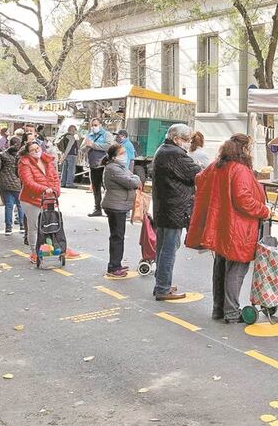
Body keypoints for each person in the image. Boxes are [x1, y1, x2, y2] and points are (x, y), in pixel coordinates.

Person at [187, 133, 270, 322]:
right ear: (244, 149)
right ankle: (232, 311)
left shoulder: (216, 166)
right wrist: (264, 211)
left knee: (221, 265)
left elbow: (200, 179)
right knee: (237, 268)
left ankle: (219, 309)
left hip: (220, 224)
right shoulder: (239, 169)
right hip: (239, 226)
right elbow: (243, 199)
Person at [150, 123, 201, 301]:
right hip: (174, 209)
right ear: (176, 139)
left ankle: (161, 284)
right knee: (168, 250)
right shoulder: (174, 153)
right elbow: (197, 174)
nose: (188, 143)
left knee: (162, 248)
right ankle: (163, 288)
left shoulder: (163, 150)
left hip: (164, 208)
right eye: (186, 140)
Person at [17, 140, 61, 262]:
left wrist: (56, 191)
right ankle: (34, 252)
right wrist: (44, 189)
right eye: (33, 150)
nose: (36, 151)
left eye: (37, 148)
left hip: (48, 199)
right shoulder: (24, 162)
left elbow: (55, 177)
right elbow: (28, 182)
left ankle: (48, 248)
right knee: (35, 227)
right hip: (31, 200)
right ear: (28, 152)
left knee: (48, 225)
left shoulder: (48, 160)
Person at [101, 143, 141, 277]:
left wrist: (134, 177)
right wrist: (136, 178)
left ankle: (116, 264)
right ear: (113, 157)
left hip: (119, 205)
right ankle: (113, 267)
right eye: (121, 153)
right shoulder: (113, 168)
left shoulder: (120, 167)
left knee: (119, 236)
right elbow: (132, 182)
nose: (125, 156)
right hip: (115, 206)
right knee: (117, 237)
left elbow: (132, 177)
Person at [0, 136, 24, 235]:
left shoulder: (2, 154)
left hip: (4, 183)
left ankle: (8, 228)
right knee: (20, 205)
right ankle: (22, 226)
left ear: (9, 144)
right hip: (18, 183)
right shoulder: (20, 156)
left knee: (8, 206)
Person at [83, 118, 111, 217]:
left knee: (106, 188)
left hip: (103, 166)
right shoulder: (89, 135)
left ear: (100, 124)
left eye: (96, 125)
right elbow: (82, 149)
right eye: (92, 125)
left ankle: (108, 209)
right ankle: (97, 208)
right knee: (96, 188)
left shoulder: (106, 134)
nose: (94, 127)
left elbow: (109, 146)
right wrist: (87, 146)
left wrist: (94, 145)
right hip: (92, 165)